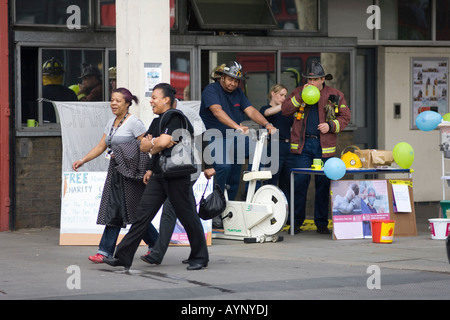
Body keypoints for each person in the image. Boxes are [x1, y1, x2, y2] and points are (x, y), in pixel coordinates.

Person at [104, 83, 209, 271]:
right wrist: (153, 155)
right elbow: (145, 147)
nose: (150, 101)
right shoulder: (156, 121)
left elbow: (164, 141)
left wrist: (155, 142)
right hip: (159, 175)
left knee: (188, 216)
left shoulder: (175, 117)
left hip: (177, 175)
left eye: (154, 97)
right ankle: (123, 256)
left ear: (166, 100)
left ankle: (200, 257)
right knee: (141, 215)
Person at [72, 87, 158, 263]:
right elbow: (101, 146)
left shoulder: (134, 123)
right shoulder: (111, 122)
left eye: (118, 100)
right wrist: (83, 160)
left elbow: (146, 147)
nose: (113, 103)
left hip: (131, 174)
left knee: (130, 212)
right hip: (116, 172)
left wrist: (121, 151)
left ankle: (108, 251)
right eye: (112, 100)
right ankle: (152, 245)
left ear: (127, 103)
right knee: (118, 209)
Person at [281, 60, 351, 234]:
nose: (311, 83)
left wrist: (331, 126)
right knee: (299, 184)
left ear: (322, 79)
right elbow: (285, 109)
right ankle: (296, 222)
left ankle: (321, 223)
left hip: (323, 146)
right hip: (302, 146)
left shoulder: (335, 94)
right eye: (309, 80)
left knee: (323, 184)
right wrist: (300, 97)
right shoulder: (299, 92)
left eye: (315, 80)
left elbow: (345, 117)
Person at [200, 61, 277, 204]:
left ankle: (249, 195)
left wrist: (267, 124)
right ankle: (216, 205)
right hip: (215, 137)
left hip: (234, 138)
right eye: (230, 79)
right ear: (222, 77)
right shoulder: (211, 90)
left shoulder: (238, 93)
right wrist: (236, 126)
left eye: (236, 81)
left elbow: (251, 111)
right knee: (224, 167)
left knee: (259, 152)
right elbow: (217, 111)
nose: (233, 84)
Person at [259, 84, 294, 207]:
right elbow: (267, 113)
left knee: (287, 183)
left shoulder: (286, 112)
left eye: (285, 96)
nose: (284, 98)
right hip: (274, 146)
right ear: (273, 94)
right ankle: (269, 210)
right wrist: (287, 105)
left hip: (288, 147)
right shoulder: (265, 108)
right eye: (281, 95)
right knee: (271, 182)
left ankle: (286, 215)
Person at [42, 57, 78, 123]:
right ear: (61, 75)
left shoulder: (39, 93)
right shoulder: (70, 94)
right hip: (66, 130)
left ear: (44, 76)